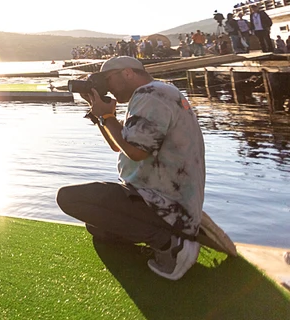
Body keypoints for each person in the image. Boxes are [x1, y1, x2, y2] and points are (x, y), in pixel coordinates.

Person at [56, 56, 206, 281]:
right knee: (97, 226)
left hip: (164, 204)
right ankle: (167, 234)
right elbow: (120, 146)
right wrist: (101, 116)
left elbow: (136, 152)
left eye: (108, 80)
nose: (108, 88)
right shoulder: (159, 93)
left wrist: (107, 115)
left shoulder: (151, 95)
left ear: (128, 73)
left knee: (69, 198)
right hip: (162, 199)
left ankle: (173, 245)